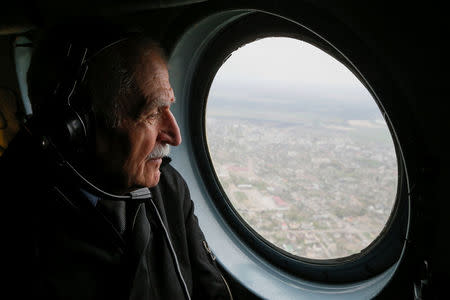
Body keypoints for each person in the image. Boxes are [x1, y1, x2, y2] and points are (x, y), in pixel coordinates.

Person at [0, 26, 232, 300]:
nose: (175, 136)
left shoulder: (169, 188)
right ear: (76, 126)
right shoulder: (19, 229)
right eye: (151, 113)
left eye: (168, 107)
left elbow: (213, 292)